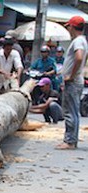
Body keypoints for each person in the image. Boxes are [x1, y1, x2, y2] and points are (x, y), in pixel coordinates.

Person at [57, 16, 88, 150]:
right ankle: (71, 139)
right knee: (73, 111)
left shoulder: (78, 41)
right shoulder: (82, 40)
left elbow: (79, 57)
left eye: (68, 26)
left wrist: (71, 75)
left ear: (72, 27)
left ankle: (70, 141)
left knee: (70, 111)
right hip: (76, 81)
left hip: (73, 82)